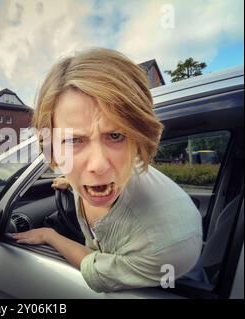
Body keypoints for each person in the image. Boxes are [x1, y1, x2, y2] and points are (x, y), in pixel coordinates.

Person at [12, 48, 202, 293]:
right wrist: (69, 182)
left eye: (116, 135)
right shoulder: (97, 174)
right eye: (73, 141)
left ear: (139, 140)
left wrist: (51, 236)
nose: (98, 166)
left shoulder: (168, 246)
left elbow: (96, 270)